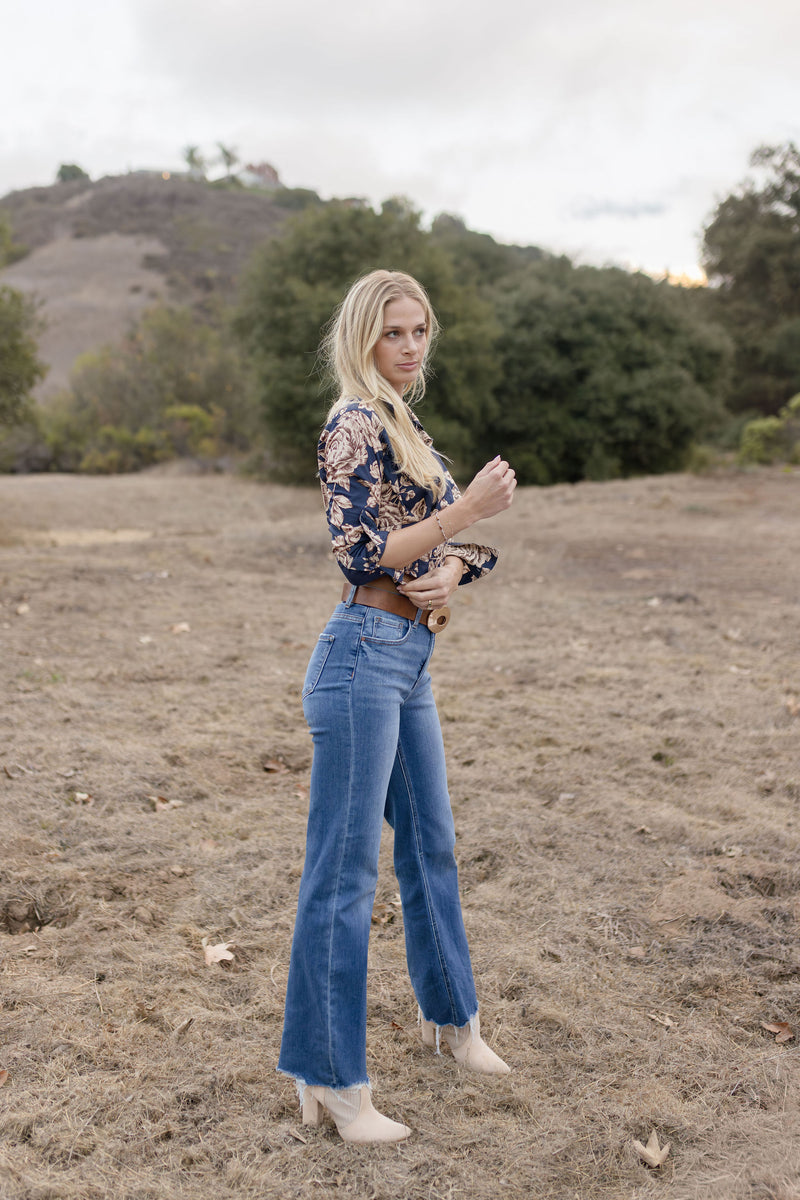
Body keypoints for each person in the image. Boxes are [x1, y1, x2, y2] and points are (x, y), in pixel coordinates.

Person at [277, 269, 517, 1144]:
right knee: (343, 877)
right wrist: (463, 514)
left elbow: (447, 548)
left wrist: (459, 556)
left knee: (432, 847)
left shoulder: (404, 424)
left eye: (420, 331)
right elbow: (360, 553)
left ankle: (452, 1022)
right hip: (359, 660)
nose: (411, 347)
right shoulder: (350, 423)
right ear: (361, 341)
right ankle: (331, 1077)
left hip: (409, 658)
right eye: (393, 334)